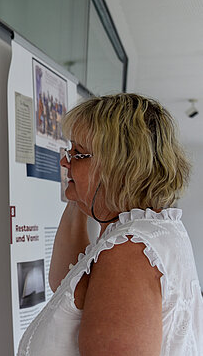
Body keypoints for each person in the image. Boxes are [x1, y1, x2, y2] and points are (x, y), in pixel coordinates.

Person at [18, 93, 203, 355]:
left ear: (120, 168)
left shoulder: (130, 251)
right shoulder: (150, 228)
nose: (64, 161)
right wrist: (78, 193)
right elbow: (67, 284)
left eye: (78, 153)